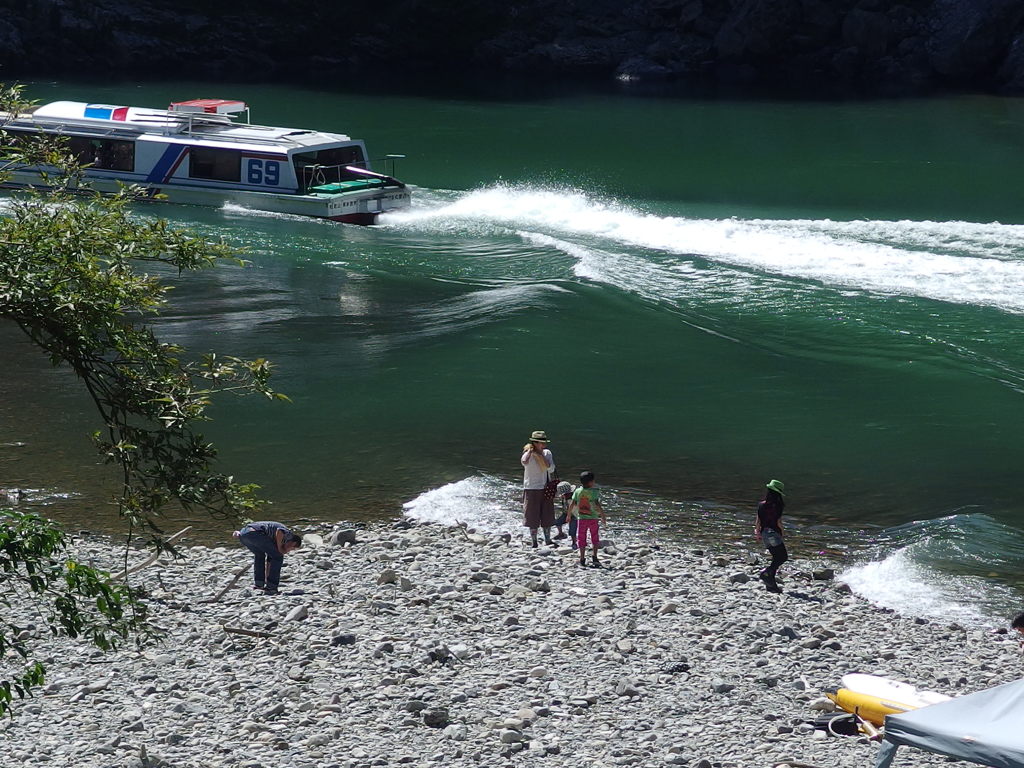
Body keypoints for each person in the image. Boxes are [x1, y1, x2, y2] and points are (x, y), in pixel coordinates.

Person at [235, 521, 302, 595]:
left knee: (260, 555)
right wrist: (280, 549)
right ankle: (272, 588)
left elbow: (270, 561)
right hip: (255, 533)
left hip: (244, 534)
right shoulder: (289, 535)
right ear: (293, 543)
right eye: (292, 548)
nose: (290, 549)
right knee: (278, 557)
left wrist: (268, 578)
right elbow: (279, 531)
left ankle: (259, 584)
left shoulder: (274, 541)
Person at [521, 430, 556, 548]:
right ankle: (534, 541)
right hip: (532, 487)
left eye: (544, 442)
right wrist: (531, 452)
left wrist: (541, 456)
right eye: (541, 442)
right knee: (532, 515)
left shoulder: (547, 453)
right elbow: (524, 462)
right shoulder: (528, 453)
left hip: (545, 486)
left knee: (547, 514)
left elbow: (551, 469)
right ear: (534, 443)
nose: (544, 445)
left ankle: (547, 539)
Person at [754, 479, 788, 593]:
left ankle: (771, 585)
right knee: (782, 557)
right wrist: (782, 532)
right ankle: (767, 573)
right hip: (773, 533)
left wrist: (757, 532)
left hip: (764, 533)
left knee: (776, 557)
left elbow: (758, 520)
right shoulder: (778, 505)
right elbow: (778, 522)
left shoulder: (761, 505)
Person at [567, 470, 606, 567]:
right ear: (590, 482)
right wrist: (603, 516)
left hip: (581, 519)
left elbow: (572, 504)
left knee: (581, 538)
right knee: (594, 537)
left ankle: (582, 558)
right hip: (593, 518)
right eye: (593, 481)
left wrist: (568, 515)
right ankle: (595, 557)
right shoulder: (594, 492)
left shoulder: (577, 491)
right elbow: (598, 505)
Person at [554, 481, 578, 548]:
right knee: (557, 522)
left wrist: (569, 516)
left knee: (572, 529)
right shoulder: (565, 497)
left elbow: (575, 511)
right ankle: (561, 534)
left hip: (574, 516)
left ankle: (574, 542)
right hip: (566, 513)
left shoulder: (572, 499)